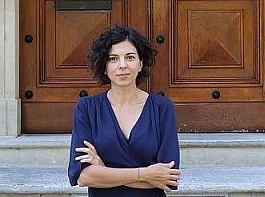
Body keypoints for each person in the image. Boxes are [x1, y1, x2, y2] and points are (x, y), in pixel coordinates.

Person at [68, 25, 181, 196]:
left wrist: (104, 170)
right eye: (113, 59)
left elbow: (167, 179)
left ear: (141, 63)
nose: (122, 65)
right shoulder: (87, 108)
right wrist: (145, 174)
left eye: (130, 57)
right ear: (104, 67)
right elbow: (83, 176)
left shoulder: (162, 108)